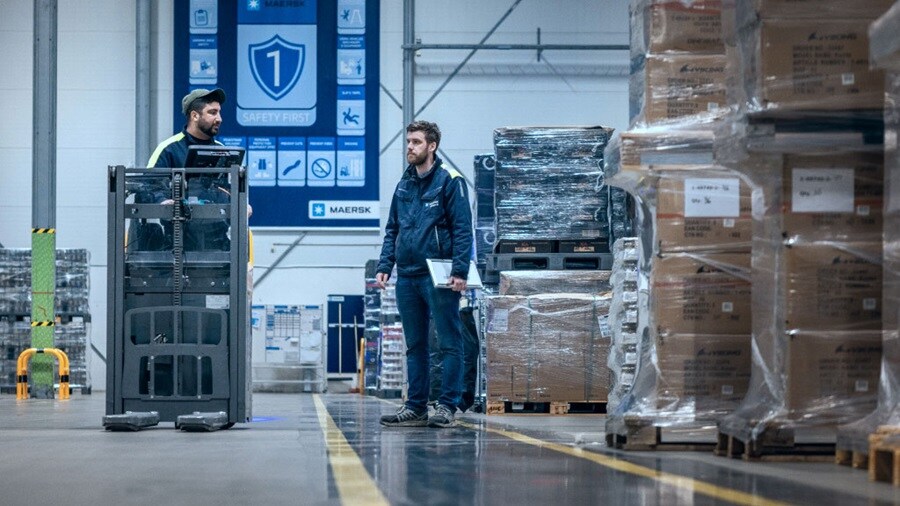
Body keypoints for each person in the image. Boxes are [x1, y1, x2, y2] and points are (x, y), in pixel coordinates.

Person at [377, 121, 473, 428]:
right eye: (408, 141)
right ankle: (416, 405)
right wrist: (384, 265)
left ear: (431, 146)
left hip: (439, 274)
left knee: (448, 341)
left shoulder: (449, 181)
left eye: (416, 142)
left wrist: (460, 271)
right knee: (415, 344)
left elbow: (462, 229)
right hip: (407, 275)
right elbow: (393, 228)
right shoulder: (404, 184)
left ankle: (447, 404)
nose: (409, 147)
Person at [143, 88, 234, 251]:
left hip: (218, 241)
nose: (219, 119)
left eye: (219, 113)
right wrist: (162, 202)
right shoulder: (168, 149)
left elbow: (228, 188)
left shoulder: (222, 151)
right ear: (194, 115)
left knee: (245, 270)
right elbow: (148, 185)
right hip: (178, 241)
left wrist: (240, 203)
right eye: (212, 113)